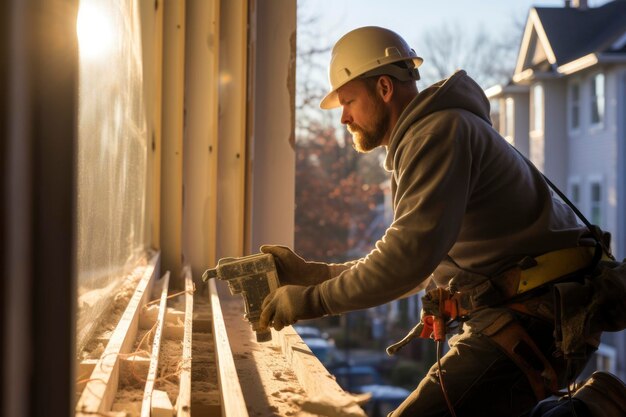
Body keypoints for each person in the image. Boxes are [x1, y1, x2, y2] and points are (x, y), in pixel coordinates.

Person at [258, 26, 622, 416]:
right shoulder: (431, 134)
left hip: (538, 318)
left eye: (348, 101)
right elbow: (408, 258)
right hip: (525, 312)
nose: (343, 118)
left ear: (384, 88)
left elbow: (405, 261)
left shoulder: (438, 133)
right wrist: (316, 275)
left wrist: (312, 300)